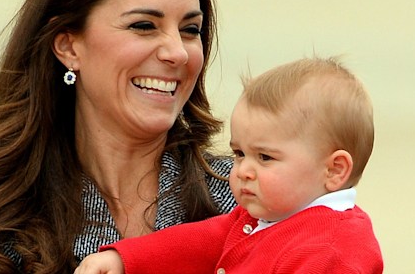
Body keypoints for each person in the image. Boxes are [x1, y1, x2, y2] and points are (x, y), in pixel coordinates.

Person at [0, 0, 237, 274]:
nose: (179, 53)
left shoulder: (249, 197)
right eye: (144, 26)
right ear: (68, 45)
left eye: (190, 30)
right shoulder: (6, 220)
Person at [75, 57, 384, 274]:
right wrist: (126, 259)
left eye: (265, 157)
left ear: (334, 170)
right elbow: (197, 243)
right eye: (239, 153)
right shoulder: (260, 217)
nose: (243, 170)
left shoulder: (331, 250)